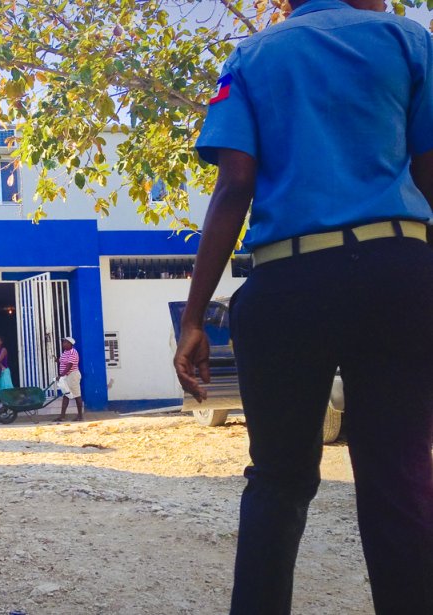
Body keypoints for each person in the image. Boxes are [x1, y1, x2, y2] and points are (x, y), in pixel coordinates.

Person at [173, 1, 433, 613]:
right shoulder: (407, 42)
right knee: (399, 478)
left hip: (290, 280)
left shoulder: (255, 55)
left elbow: (235, 182)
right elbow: (428, 172)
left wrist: (193, 318)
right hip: (399, 272)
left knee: (279, 481)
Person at [54, 336, 83, 422]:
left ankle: (80, 416)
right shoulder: (66, 352)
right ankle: (62, 416)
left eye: (65, 342)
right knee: (66, 395)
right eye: (63, 342)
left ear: (70, 344)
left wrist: (61, 375)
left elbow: (69, 365)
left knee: (77, 395)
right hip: (67, 376)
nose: (63, 344)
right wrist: (57, 360)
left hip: (72, 375)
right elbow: (63, 361)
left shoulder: (73, 352)